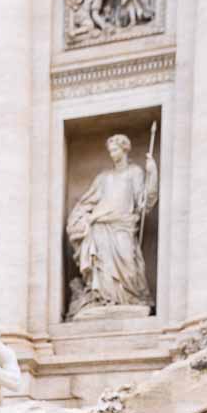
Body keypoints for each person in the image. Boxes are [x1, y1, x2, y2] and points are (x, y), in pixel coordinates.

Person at [66, 132, 158, 317]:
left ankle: (129, 298)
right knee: (102, 266)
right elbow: (87, 201)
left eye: (114, 149)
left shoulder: (135, 172)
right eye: (110, 150)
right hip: (100, 225)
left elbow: (143, 202)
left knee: (128, 264)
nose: (111, 153)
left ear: (124, 149)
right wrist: (80, 219)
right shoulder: (103, 177)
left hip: (123, 225)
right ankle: (104, 300)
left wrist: (153, 173)